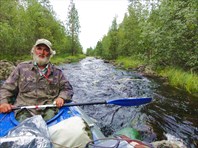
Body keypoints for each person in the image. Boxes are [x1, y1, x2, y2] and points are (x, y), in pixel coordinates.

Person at [0, 39, 91, 147]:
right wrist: (4, 102)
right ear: (34, 50)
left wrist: (61, 98)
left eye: (46, 50)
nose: (42, 52)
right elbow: (6, 89)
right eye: (39, 49)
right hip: (23, 110)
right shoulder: (21, 68)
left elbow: (67, 89)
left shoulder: (57, 72)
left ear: (50, 53)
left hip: (49, 110)